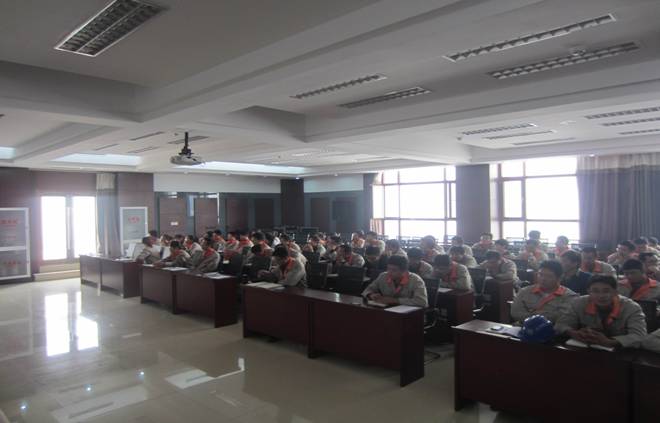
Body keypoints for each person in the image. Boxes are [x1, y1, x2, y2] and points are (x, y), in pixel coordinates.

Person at [555, 275, 647, 349]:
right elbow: (560, 324)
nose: (601, 296)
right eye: (595, 291)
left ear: (615, 292)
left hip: (620, 354)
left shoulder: (631, 308)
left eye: (606, 291)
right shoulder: (579, 302)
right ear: (589, 291)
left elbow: (639, 336)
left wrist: (611, 342)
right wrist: (573, 333)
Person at [511, 260, 578, 324]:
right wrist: (543, 315)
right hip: (523, 327)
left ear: (560, 278)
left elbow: (563, 319)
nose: (543, 279)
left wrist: (532, 314)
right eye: (540, 274)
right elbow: (515, 313)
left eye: (549, 276)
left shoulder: (569, 296)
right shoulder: (525, 291)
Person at [362, 255, 428, 307]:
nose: (389, 272)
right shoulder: (383, 276)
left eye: (394, 270)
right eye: (388, 269)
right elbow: (367, 290)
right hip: (386, 310)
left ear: (404, 271)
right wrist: (371, 295)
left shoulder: (416, 280)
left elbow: (422, 302)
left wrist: (395, 300)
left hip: (408, 314)